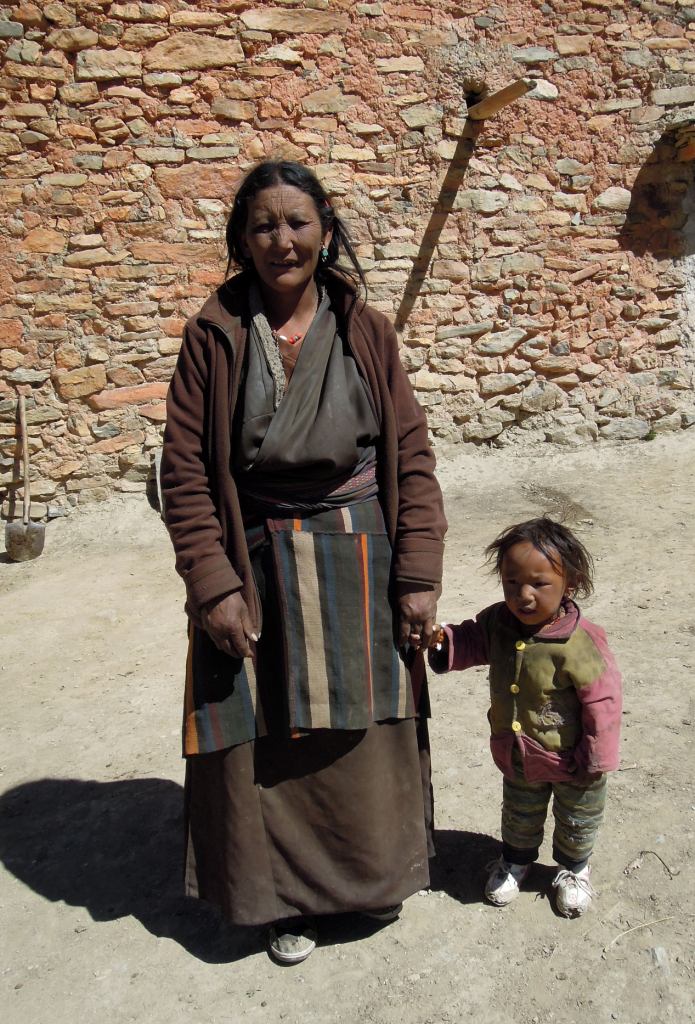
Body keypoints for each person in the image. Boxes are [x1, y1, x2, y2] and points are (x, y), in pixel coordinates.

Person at [160, 160, 446, 964]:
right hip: (254, 562)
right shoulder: (215, 334)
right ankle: (283, 901)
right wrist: (213, 584)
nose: (280, 240)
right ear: (241, 239)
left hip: (359, 557)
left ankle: (369, 878)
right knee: (267, 745)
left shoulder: (364, 329)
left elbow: (412, 456)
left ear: (324, 229)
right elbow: (184, 471)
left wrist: (417, 573)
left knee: (363, 741)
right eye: (262, 225)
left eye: (296, 223)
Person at [427, 517, 622, 917]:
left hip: (574, 761)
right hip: (519, 753)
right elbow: (471, 639)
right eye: (512, 582)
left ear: (570, 584)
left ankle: (573, 869)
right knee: (519, 813)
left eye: (539, 584)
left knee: (577, 818)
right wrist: (443, 641)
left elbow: (603, 703)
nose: (523, 595)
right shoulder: (498, 622)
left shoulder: (580, 642)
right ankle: (516, 860)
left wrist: (594, 758)